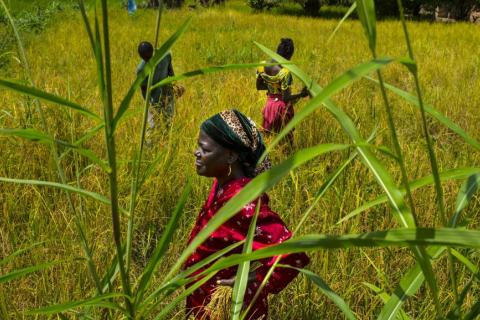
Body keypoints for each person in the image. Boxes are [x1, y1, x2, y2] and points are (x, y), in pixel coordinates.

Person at [185, 109, 310, 320]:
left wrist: (253, 279)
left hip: (231, 309)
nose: (196, 152)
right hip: (205, 303)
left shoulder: (243, 204)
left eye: (204, 149)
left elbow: (292, 253)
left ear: (231, 156)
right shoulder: (222, 184)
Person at [256, 38, 309, 142]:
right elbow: (286, 98)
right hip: (281, 109)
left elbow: (259, 86)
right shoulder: (284, 72)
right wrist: (301, 94)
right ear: (289, 55)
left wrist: (273, 87)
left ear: (277, 50)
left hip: (269, 106)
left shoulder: (261, 66)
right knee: (286, 143)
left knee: (267, 140)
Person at [137, 41, 181, 130]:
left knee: (168, 122)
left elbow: (171, 72)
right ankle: (150, 144)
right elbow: (144, 89)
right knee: (152, 127)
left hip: (167, 95)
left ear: (152, 51)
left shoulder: (165, 55)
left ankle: (166, 142)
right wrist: (150, 105)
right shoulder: (141, 69)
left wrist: (176, 86)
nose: (147, 60)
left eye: (149, 57)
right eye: (145, 58)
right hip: (153, 100)